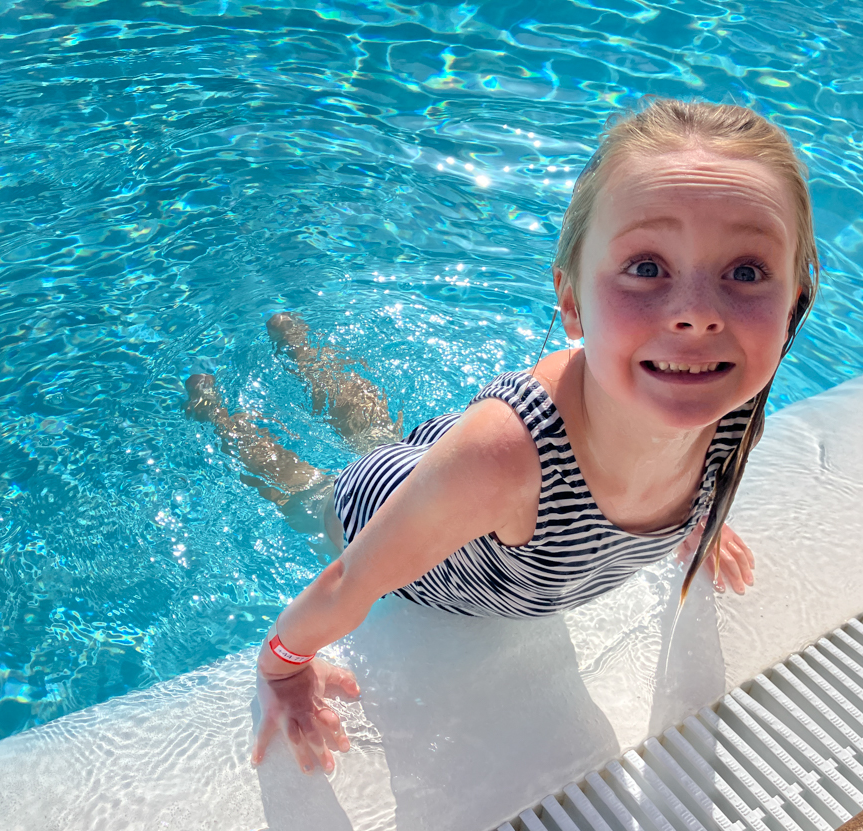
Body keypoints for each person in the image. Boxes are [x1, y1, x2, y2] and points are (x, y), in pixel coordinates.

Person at [185, 98, 818, 775]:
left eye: (746, 272)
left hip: (460, 478)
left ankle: (303, 348)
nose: (697, 315)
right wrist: (282, 668)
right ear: (571, 301)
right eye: (646, 267)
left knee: (376, 431)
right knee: (304, 486)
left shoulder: (726, 404)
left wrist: (700, 522)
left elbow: (691, 459)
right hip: (390, 502)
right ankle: (222, 415)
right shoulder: (509, 455)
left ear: (792, 301)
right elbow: (348, 582)